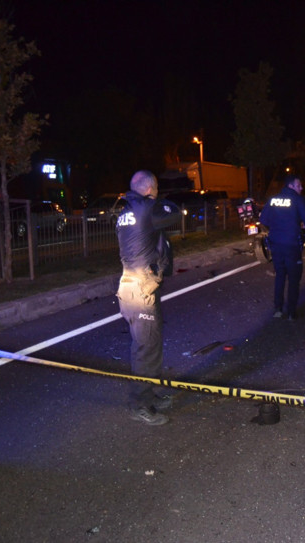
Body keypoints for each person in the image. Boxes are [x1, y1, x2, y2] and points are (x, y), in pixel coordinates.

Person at [116, 170, 181, 425]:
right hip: (140, 290)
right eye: (156, 189)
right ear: (151, 188)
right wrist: (156, 200)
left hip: (133, 285)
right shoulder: (145, 208)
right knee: (146, 350)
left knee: (149, 345)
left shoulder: (126, 212)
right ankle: (140, 404)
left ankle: (149, 394)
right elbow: (175, 212)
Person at [259, 175, 305, 320]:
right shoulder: (298, 199)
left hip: (276, 244)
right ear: (291, 186)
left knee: (280, 276)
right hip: (292, 245)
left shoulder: (273, 199)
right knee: (294, 278)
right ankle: (291, 312)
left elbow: (263, 219)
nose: (301, 188)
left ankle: (278, 308)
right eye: (299, 185)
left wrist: (277, 224)